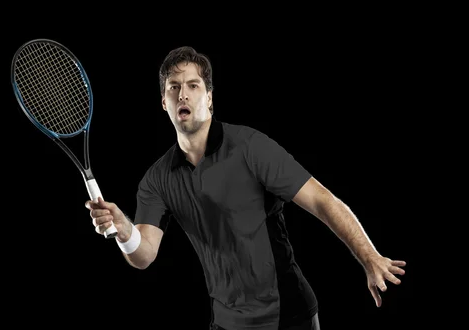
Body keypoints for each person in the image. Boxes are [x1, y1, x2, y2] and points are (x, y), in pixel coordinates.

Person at [85, 46, 406, 330]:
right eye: (174, 87)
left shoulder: (251, 148)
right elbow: (145, 255)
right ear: (163, 102)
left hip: (290, 317)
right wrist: (124, 229)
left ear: (209, 98)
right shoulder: (156, 180)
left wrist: (369, 257)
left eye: (193, 86)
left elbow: (323, 201)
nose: (182, 94)